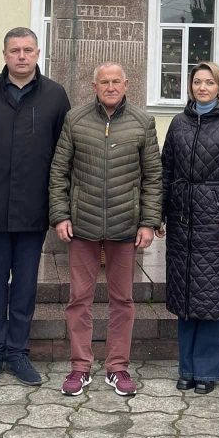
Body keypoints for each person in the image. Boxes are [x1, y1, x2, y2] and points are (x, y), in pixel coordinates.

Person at [49, 62, 162, 397]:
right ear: (94, 86)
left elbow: (153, 177)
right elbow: (59, 172)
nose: (110, 87)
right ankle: (80, 367)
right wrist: (61, 216)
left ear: (126, 84)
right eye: (104, 82)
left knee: (122, 301)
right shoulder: (75, 119)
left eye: (116, 82)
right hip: (82, 226)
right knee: (79, 300)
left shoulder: (143, 122)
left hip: (125, 226)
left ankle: (117, 367)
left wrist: (148, 222)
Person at [0, 27, 70, 388]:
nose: (21, 56)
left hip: (32, 211)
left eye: (28, 50)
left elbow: (64, 155)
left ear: (38, 53)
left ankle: (18, 353)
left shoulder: (55, 96)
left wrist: (58, 207)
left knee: (24, 288)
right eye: (15, 50)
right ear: (5, 54)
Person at [162, 62, 219, 394]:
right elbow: (166, 169)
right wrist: (160, 214)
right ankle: (186, 369)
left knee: (212, 299)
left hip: (215, 223)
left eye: (209, 82)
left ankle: (208, 372)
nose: (202, 87)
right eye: (197, 82)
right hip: (182, 222)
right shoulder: (179, 123)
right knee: (185, 297)